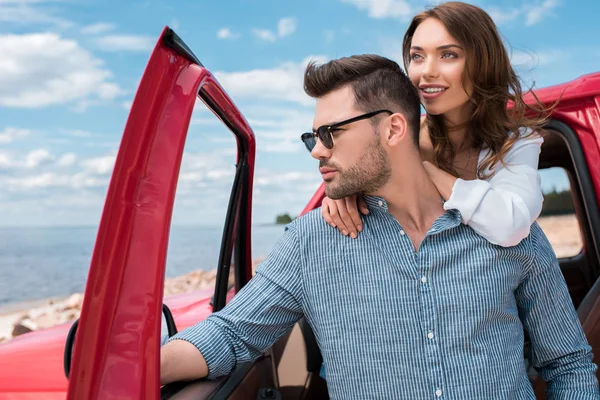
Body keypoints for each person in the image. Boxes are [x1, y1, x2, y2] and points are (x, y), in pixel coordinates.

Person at [159, 54, 599, 399]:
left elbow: (568, 364)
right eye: (312, 137)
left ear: (392, 128)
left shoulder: (508, 228)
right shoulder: (311, 242)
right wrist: (125, 364)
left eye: (330, 133)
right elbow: (232, 333)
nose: (317, 151)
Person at [321, 1, 546, 248]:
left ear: (483, 63)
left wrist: (422, 169)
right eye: (417, 56)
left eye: (448, 55)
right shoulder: (398, 137)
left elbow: (510, 225)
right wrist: (344, 192)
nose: (426, 71)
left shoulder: (518, 142)